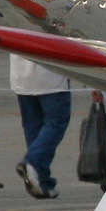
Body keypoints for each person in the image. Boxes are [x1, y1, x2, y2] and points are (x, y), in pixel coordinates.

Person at [11, 55, 71, 199]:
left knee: (33, 127)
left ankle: (41, 181)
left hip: (21, 76)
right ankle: (33, 163)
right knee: (56, 123)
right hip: (50, 77)